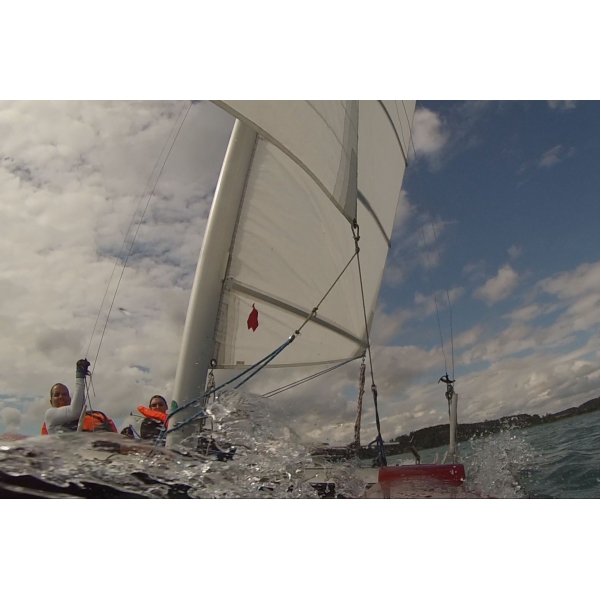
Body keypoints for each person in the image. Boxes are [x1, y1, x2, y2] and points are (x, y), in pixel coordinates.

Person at [41, 359, 118, 435]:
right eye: (57, 395)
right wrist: (80, 376)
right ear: (51, 401)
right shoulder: (50, 415)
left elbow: (79, 408)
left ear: (70, 400)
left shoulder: (81, 417)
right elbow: (75, 411)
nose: (61, 397)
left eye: (64, 394)